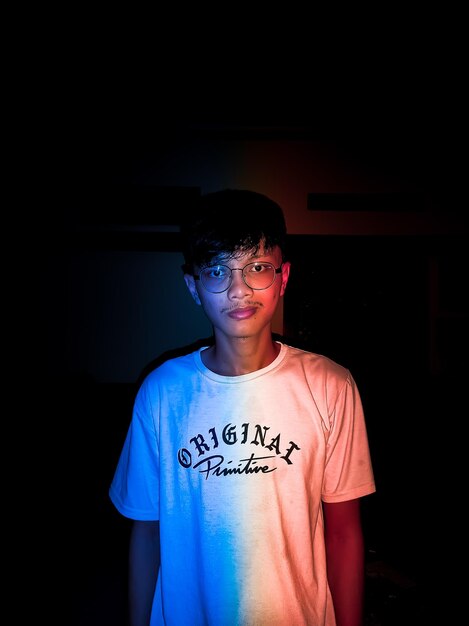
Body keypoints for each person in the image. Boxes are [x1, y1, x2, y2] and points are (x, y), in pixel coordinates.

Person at [109, 189, 376, 626]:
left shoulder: (331, 385)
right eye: (217, 271)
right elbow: (146, 528)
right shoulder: (161, 393)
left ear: (283, 276)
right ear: (193, 286)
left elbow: (344, 530)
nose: (239, 290)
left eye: (257, 268)